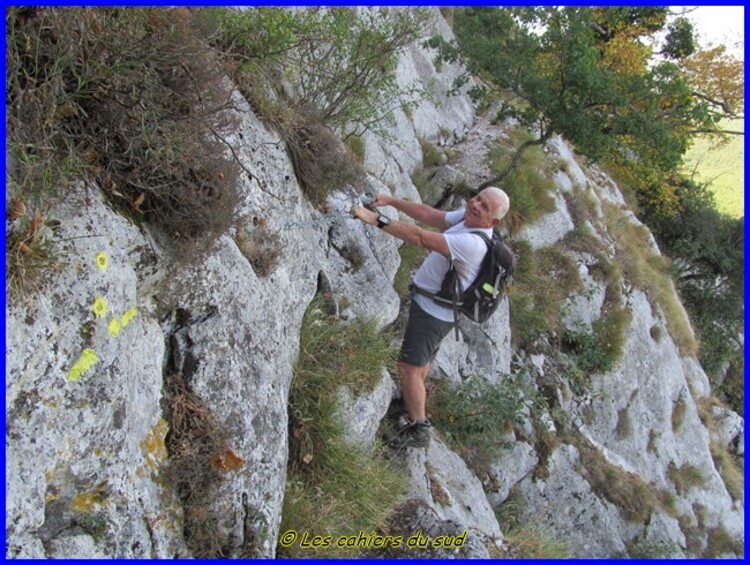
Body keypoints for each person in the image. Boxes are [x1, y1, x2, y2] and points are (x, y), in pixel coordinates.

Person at [352, 186, 510, 448]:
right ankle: (412, 404)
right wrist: (392, 200)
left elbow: (421, 238)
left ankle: (418, 429)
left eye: (484, 207)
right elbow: (429, 214)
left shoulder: (472, 244)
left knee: (408, 368)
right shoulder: (467, 219)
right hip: (436, 308)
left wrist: (376, 219)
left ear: (494, 221)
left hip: (433, 312)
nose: (476, 205)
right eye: (478, 198)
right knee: (419, 364)